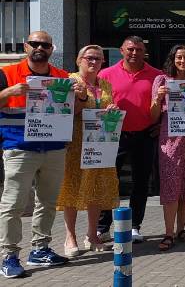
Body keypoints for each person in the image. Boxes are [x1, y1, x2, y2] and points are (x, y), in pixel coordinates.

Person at [0, 31, 75, 277]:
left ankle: (40, 249)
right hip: (19, 147)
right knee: (13, 205)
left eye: (45, 44)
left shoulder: (62, 77)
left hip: (53, 149)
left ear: (52, 49)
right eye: (35, 44)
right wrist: (8, 93)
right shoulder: (7, 74)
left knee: (48, 202)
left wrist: (81, 94)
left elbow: (73, 107)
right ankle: (9, 256)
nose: (39, 47)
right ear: (26, 46)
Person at [97, 36, 163, 244]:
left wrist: (162, 124)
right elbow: (96, 103)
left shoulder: (157, 75)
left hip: (145, 135)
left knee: (141, 183)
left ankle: (134, 225)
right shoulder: (105, 74)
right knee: (109, 180)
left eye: (139, 50)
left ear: (145, 52)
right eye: (130, 49)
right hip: (114, 135)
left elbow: (167, 106)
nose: (135, 53)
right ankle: (102, 226)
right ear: (122, 50)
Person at [57, 45, 118, 258]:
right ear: (78, 60)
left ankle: (92, 235)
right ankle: (69, 236)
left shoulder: (106, 85)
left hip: (100, 144)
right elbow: (64, 111)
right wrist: (81, 100)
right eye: (90, 58)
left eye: (99, 59)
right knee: (72, 189)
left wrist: (112, 110)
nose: (94, 62)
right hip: (75, 144)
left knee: (97, 189)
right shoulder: (70, 81)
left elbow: (110, 108)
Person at [150, 45, 185, 251]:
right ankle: (168, 232)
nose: (182, 61)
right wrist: (157, 98)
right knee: (171, 184)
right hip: (171, 141)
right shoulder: (162, 81)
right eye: (179, 57)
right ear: (172, 59)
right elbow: (153, 115)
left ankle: (182, 229)